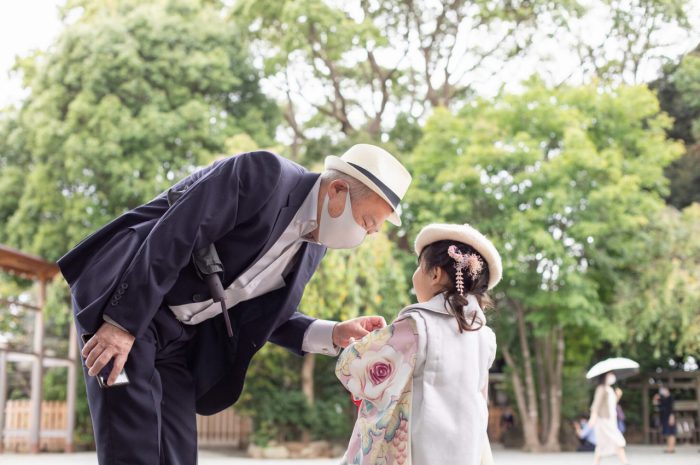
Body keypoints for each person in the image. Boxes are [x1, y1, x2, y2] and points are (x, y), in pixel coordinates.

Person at [57, 144, 412, 464]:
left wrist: (332, 333)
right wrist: (121, 324)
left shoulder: (314, 247)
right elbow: (176, 233)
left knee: (177, 452)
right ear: (337, 190)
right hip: (126, 302)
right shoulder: (266, 175)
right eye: (367, 222)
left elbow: (261, 314)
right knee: (132, 446)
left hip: (180, 337)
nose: (365, 235)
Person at [335, 223, 502, 465]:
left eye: (418, 268)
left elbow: (358, 368)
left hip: (419, 449)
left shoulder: (417, 325)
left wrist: (355, 346)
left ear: (435, 274)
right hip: (465, 451)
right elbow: (480, 397)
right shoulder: (485, 337)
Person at [588, 372, 629, 465]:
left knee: (601, 443)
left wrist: (618, 396)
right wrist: (592, 417)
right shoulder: (601, 388)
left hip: (611, 420)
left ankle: (596, 463)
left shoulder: (609, 389)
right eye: (610, 374)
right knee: (617, 439)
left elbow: (612, 405)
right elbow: (596, 405)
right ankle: (624, 462)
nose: (612, 376)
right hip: (603, 420)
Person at [653, 386, 676, 453]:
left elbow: (672, 408)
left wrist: (672, 417)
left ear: (667, 390)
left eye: (663, 390)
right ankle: (669, 448)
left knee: (671, 432)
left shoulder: (671, 397)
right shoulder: (663, 399)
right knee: (668, 433)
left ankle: (671, 448)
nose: (661, 392)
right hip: (664, 417)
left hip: (670, 417)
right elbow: (655, 404)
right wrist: (655, 398)